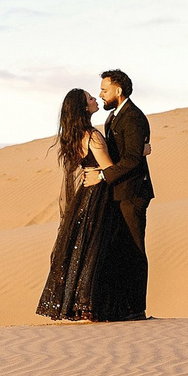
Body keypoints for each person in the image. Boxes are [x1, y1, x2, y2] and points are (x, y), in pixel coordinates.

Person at [36, 86, 148, 322]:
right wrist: (140, 152)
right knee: (101, 250)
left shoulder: (73, 137)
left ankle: (80, 304)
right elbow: (108, 167)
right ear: (83, 107)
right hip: (100, 194)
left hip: (84, 196)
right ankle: (95, 306)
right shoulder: (93, 136)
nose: (95, 98)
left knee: (84, 250)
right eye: (89, 98)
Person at [98, 69, 153, 253]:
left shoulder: (132, 117)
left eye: (105, 90)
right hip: (119, 192)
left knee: (134, 251)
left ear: (118, 92)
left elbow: (132, 159)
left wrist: (102, 176)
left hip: (132, 192)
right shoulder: (115, 116)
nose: (101, 95)